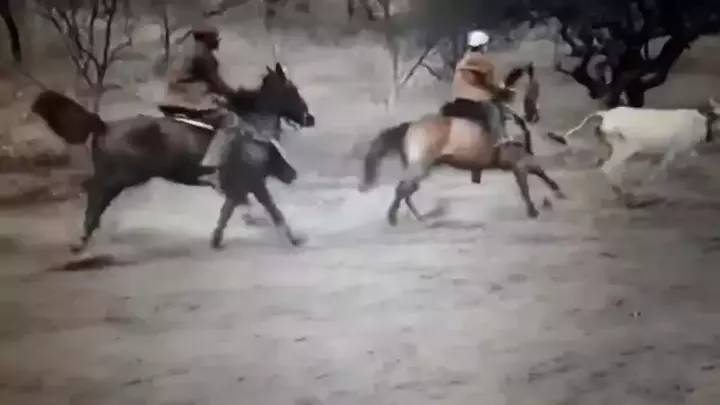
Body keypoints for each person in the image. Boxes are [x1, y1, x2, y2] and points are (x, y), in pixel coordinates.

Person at [162, 23, 238, 185]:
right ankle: (211, 165)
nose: (217, 40)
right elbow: (216, 83)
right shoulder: (204, 56)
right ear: (206, 38)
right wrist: (236, 97)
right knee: (229, 120)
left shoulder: (187, 51)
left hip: (176, 97)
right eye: (214, 37)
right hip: (190, 100)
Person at [444, 29, 515, 147]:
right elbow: (491, 85)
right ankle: (501, 138)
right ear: (482, 46)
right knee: (496, 110)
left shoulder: (462, 62)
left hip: (458, 98)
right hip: (477, 100)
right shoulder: (484, 63)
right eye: (486, 45)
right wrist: (502, 91)